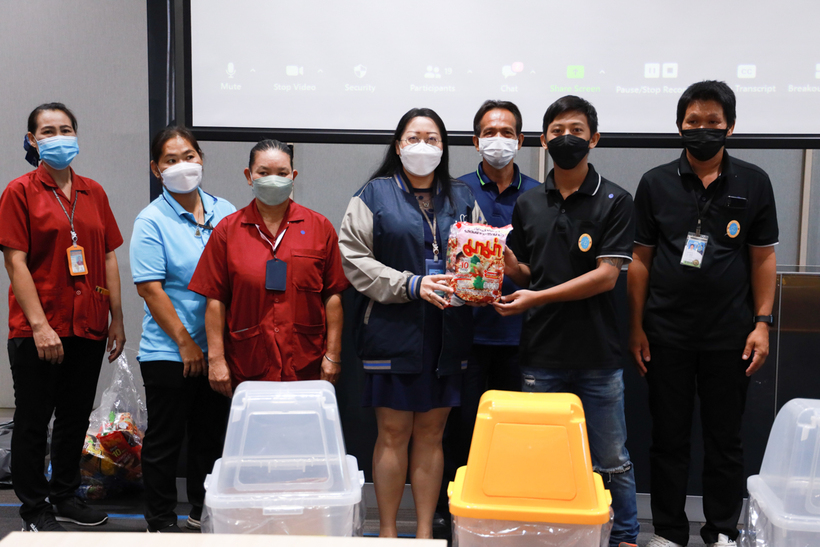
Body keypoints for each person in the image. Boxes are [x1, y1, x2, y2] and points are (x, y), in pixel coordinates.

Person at [628, 81, 778, 547]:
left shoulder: (754, 181)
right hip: (665, 333)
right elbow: (641, 259)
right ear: (679, 126)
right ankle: (669, 532)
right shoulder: (655, 182)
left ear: (730, 127)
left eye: (713, 121)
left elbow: (763, 257)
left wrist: (762, 323)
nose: (703, 129)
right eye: (693, 121)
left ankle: (721, 532)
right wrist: (635, 326)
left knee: (725, 441)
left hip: (730, 335)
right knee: (667, 439)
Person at [493, 96, 639, 547]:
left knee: (611, 458)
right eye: (557, 131)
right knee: (540, 454)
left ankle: (624, 536)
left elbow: (606, 276)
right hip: (541, 353)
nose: (566, 138)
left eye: (576, 130)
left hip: (598, 354)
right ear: (543, 140)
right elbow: (531, 274)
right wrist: (509, 266)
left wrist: (536, 295)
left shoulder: (616, 200)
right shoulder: (529, 202)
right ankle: (548, 535)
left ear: (594, 139)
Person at [339, 107, 483, 539]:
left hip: (447, 333)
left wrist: (479, 280)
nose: (424, 146)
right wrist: (410, 283)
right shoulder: (373, 194)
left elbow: (479, 260)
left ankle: (423, 534)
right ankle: (387, 532)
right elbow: (354, 258)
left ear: (444, 147)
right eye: (414, 138)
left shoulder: (462, 197)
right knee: (393, 432)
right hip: (392, 329)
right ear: (398, 145)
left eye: (432, 138)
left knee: (433, 434)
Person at [0, 103, 125, 532]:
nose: (59, 137)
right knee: (34, 422)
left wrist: (117, 318)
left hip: (88, 323)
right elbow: (15, 262)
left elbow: (108, 256)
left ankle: (66, 495)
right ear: (32, 140)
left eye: (66, 129)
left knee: (75, 417)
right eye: (48, 131)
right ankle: (34, 508)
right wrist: (39, 327)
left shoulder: (94, 192)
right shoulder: (19, 191)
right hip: (39, 326)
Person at [437, 99, 540, 529]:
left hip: (520, 336)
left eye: (507, 132)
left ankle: (508, 515)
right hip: (465, 333)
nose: (499, 140)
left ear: (521, 140)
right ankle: (452, 514)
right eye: (490, 133)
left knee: (515, 430)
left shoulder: (539, 194)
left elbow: (545, 265)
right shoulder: (454, 190)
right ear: (476, 141)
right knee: (460, 429)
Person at [130, 127, 236, 533]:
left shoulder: (225, 211)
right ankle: (160, 522)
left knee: (210, 437)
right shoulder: (151, 220)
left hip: (216, 349)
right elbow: (150, 289)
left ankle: (201, 512)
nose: (182, 165)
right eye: (170, 160)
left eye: (188, 156)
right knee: (165, 440)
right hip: (168, 350)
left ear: (201, 158)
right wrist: (186, 343)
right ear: (156, 169)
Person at [188, 139, 349, 396]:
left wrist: (333, 355)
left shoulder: (320, 228)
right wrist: (216, 360)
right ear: (249, 176)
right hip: (248, 365)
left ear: (293, 176)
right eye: (263, 172)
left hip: (307, 365)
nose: (273, 180)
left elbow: (333, 296)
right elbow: (215, 300)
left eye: (282, 173)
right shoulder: (227, 231)